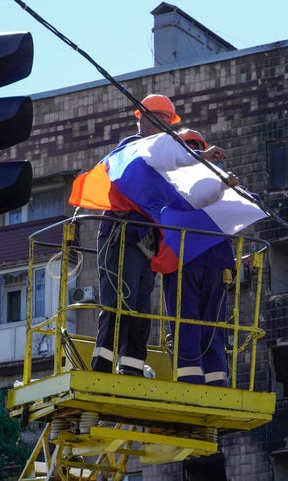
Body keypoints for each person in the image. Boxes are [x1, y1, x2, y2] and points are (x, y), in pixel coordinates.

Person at [90, 94, 181, 376]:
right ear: (143, 120)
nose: (166, 129)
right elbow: (148, 160)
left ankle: (131, 366)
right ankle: (103, 365)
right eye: (162, 122)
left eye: (169, 124)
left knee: (140, 308)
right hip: (122, 235)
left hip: (144, 241)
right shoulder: (130, 149)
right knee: (120, 302)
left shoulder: (163, 159)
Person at [163, 130, 240, 387]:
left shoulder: (173, 180)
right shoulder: (219, 183)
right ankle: (215, 377)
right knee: (211, 323)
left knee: (187, 321)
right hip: (214, 261)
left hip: (187, 260)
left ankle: (192, 376)